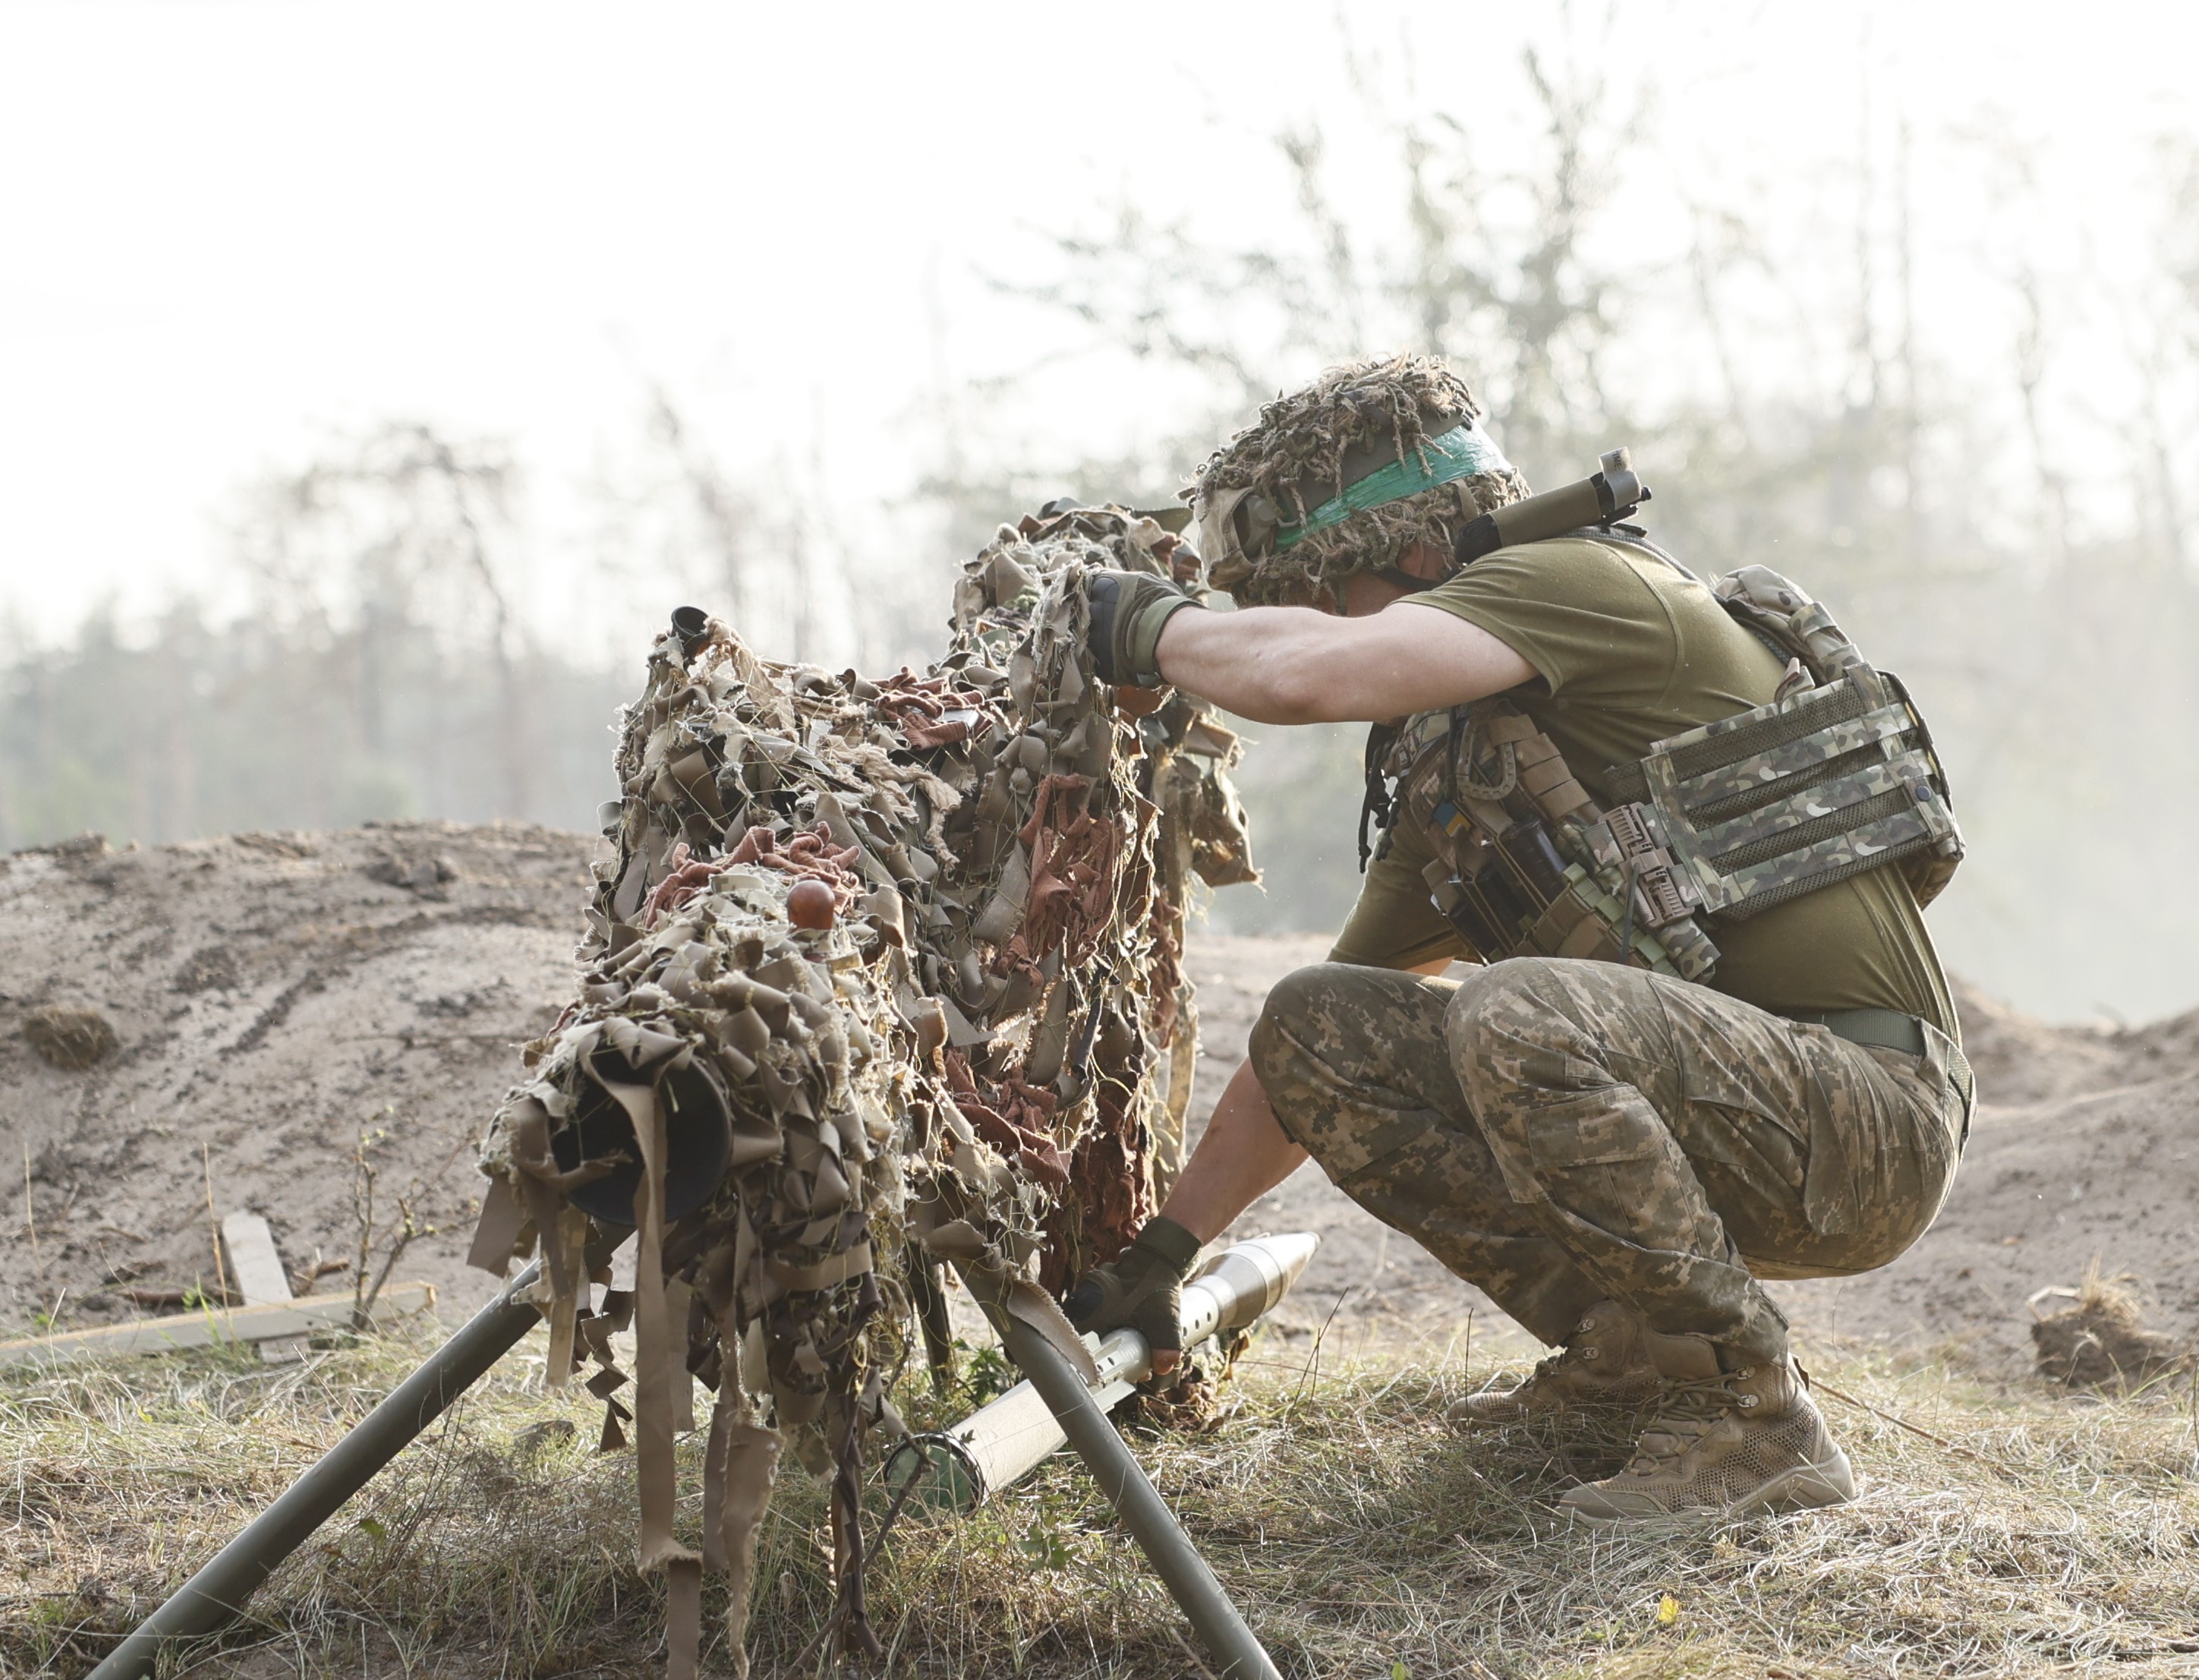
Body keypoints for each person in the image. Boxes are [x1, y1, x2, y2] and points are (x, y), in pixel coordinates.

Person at [1063, 355, 1974, 1522]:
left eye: (1323, 592)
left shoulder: (1577, 580)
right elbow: (1310, 1055)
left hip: (1868, 1119)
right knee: (1316, 1020)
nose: (1317, 622)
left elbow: (1300, 678)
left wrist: (1151, 628)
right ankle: (1633, 1365)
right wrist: (1165, 1251)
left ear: (1419, 557)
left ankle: (1753, 1421)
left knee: (1517, 1008)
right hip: (1749, 1108)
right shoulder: (1469, 768)